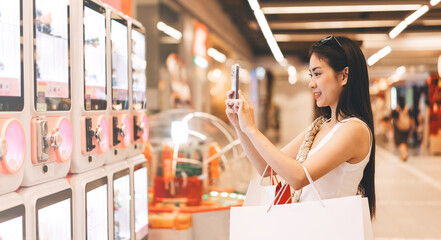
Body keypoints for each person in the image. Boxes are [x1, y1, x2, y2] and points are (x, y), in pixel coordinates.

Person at [225, 36, 376, 217]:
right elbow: (266, 167)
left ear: (344, 75)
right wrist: (240, 126)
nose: (311, 83)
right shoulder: (320, 126)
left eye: (318, 73)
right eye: (310, 75)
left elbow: (298, 177)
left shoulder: (354, 129)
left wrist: (252, 129)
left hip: (330, 229)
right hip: (309, 226)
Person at [391, 96, 414, 161]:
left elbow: (393, 119)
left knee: (400, 142)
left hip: (399, 129)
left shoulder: (396, 110)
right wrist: (412, 128)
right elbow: (412, 119)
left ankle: (404, 155)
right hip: (407, 128)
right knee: (404, 141)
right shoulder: (408, 109)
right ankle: (403, 154)